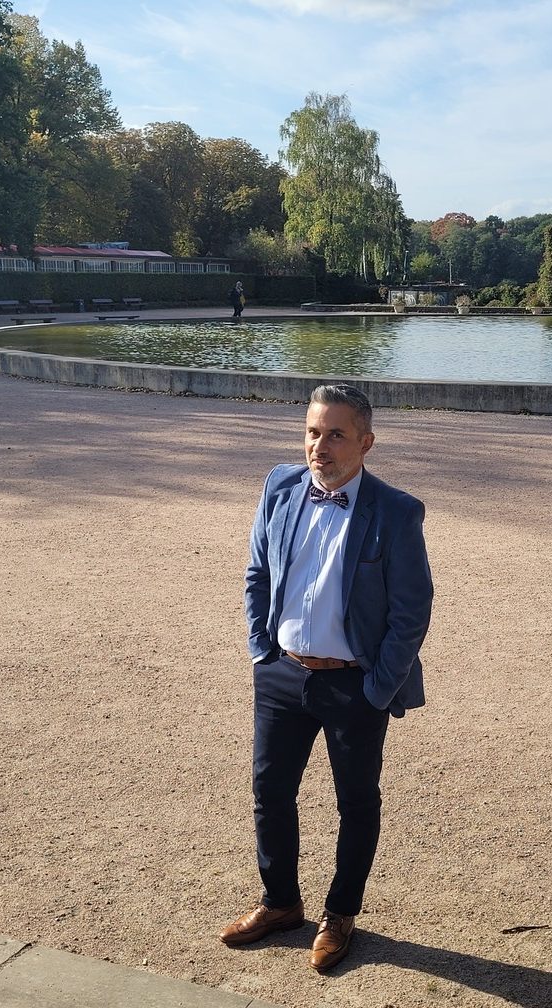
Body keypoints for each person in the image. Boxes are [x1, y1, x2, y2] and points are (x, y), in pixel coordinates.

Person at [219, 383, 433, 972]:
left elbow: (412, 611)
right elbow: (258, 572)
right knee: (270, 791)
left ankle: (340, 914)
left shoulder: (396, 511)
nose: (320, 446)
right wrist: (261, 650)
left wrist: (376, 687)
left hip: (352, 684)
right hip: (282, 674)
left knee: (355, 802)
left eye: (336, 434)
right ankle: (281, 903)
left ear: (366, 443)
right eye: (313, 432)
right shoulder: (280, 486)